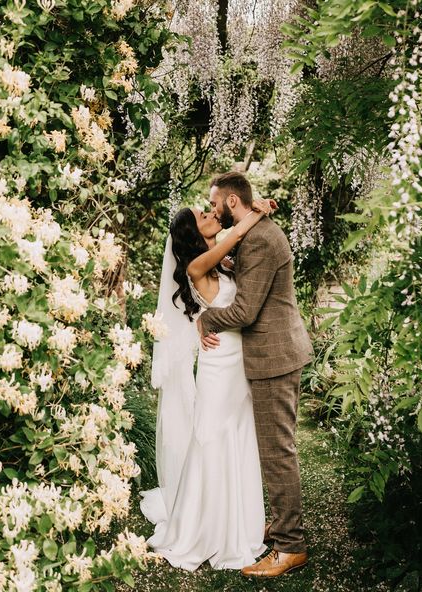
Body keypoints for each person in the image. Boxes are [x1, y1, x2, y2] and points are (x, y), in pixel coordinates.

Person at [139, 197, 273, 571]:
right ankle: (203, 530)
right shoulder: (200, 264)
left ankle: (243, 526)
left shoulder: (221, 264)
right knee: (212, 440)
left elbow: (233, 262)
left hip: (236, 364)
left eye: (210, 211)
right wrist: (256, 212)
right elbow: (237, 233)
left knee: (239, 438)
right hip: (217, 368)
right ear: (192, 234)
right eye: (203, 216)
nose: (211, 215)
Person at [198, 171, 312, 578]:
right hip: (274, 354)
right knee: (274, 449)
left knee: (277, 452)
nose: (212, 210)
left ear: (232, 202)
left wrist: (208, 318)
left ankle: (290, 546)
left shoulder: (261, 239)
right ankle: (282, 527)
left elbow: (245, 311)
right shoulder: (256, 231)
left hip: (274, 357)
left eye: (215, 203)